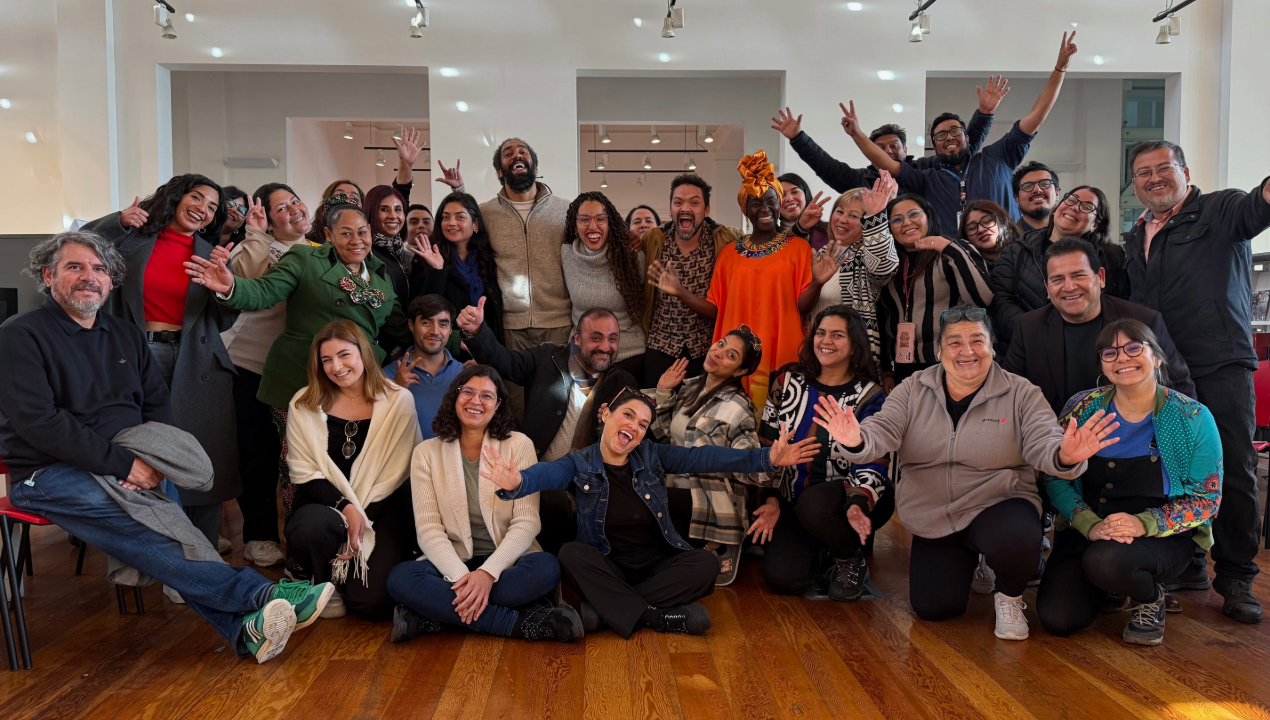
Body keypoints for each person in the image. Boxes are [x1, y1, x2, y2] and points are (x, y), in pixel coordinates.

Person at [0, 231, 333, 664]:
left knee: (167, 523)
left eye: (99, 269)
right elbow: (41, 423)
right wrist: (124, 465)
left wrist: (152, 456)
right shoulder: (18, 335)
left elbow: (156, 402)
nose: (89, 277)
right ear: (48, 276)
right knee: (150, 525)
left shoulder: (124, 333)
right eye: (74, 267)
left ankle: (244, 631)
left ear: (111, 281)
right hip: (46, 472)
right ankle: (260, 594)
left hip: (127, 457)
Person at [814, 304, 1116, 640]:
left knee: (1018, 538)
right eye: (955, 342)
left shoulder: (1022, 392)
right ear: (939, 351)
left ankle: (1009, 596)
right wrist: (856, 439)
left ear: (992, 348)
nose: (967, 351)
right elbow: (883, 429)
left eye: (977, 340)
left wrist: (1064, 454)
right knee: (934, 608)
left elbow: (1042, 439)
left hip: (999, 500)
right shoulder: (912, 388)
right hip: (935, 511)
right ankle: (976, 562)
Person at [480, 388, 821, 638]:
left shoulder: (652, 455)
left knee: (706, 564)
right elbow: (549, 474)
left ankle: (607, 611)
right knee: (570, 554)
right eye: (628, 415)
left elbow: (704, 458)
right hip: (608, 566)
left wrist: (765, 458)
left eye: (643, 424)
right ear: (605, 414)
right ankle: (656, 617)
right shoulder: (579, 463)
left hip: (656, 566)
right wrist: (518, 482)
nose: (634, 427)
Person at [184, 202, 411, 550]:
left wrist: (461, 337)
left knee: (345, 466)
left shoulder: (381, 276)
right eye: (346, 233)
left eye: (362, 232)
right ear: (328, 235)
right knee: (299, 471)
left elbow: (400, 328)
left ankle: (349, 544)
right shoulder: (305, 259)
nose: (356, 240)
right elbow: (265, 291)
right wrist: (231, 287)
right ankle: (301, 553)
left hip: (355, 387)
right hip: (300, 383)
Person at [1124, 139, 1270, 624]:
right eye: (1143, 173)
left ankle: (1236, 577)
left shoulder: (1222, 210)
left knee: (1234, 470)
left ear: (1185, 172)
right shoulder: (1136, 235)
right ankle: (1188, 562)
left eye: (1163, 168)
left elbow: (1258, 207)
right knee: (1173, 469)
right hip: (1163, 373)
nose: (1153, 179)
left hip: (1219, 363)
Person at [1038, 319, 1221, 645]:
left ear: (1157, 358)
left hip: (1160, 536)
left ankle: (1149, 597)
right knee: (1058, 618)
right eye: (1110, 353)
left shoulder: (1192, 417)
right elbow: (1054, 476)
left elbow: (1206, 500)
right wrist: (1089, 524)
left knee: (1106, 561)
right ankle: (1113, 586)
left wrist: (1142, 524)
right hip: (1088, 528)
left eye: (1134, 347)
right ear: (1102, 366)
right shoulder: (1080, 407)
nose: (1122, 357)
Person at [81, 174, 240, 551]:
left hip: (196, 360)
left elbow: (222, 321)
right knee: (138, 449)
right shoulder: (129, 239)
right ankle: (147, 554)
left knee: (199, 454)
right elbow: (79, 246)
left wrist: (225, 287)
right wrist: (118, 220)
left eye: (212, 207)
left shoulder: (212, 253)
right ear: (176, 197)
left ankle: (201, 553)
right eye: (196, 197)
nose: (203, 208)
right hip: (135, 353)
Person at [387, 365, 583, 644]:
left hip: (508, 563)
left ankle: (433, 617)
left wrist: (488, 573)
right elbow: (429, 530)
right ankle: (515, 623)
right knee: (401, 578)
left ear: (498, 404)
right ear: (455, 396)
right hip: (453, 562)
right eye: (468, 392)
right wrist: (464, 580)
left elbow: (527, 523)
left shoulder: (519, 445)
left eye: (486, 396)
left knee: (547, 568)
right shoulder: (426, 453)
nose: (475, 401)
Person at [842, 33, 1080, 232]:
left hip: (1008, 257)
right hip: (953, 263)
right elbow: (886, 163)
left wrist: (1059, 69)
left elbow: (1035, 117)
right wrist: (856, 134)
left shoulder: (997, 157)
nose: (949, 137)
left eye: (955, 131)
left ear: (967, 137)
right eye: (940, 135)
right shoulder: (927, 178)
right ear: (934, 146)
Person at [284, 320, 421, 621]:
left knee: (372, 604)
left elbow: (397, 475)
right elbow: (305, 473)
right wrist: (347, 509)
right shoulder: (303, 403)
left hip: (380, 509)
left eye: (344, 355)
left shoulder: (398, 401)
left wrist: (361, 520)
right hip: (323, 506)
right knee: (311, 529)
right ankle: (323, 581)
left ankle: (346, 574)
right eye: (326, 360)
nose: (336, 367)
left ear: (363, 353)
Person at [758, 307, 892, 601]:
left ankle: (849, 559)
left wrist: (857, 503)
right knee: (784, 580)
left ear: (855, 345)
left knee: (814, 504)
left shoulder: (871, 396)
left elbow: (876, 459)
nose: (826, 341)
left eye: (837, 335)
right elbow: (766, 444)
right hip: (792, 501)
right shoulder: (786, 381)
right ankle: (826, 548)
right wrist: (770, 498)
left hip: (847, 502)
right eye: (820, 333)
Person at [221, 182, 315, 568]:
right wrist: (256, 234)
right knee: (257, 454)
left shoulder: (320, 251)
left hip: (298, 372)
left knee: (296, 459)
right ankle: (258, 537)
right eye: (281, 208)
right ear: (268, 219)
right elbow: (238, 280)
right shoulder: (260, 247)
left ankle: (303, 535)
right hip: (249, 365)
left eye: (295, 201)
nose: (293, 209)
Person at [1002, 237, 1194, 417]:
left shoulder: (1144, 320)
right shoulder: (1028, 328)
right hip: (1057, 434)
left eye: (1079, 275)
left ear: (1100, 277)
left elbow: (1179, 387)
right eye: (1057, 279)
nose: (1069, 287)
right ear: (1047, 288)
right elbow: (1010, 394)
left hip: (1136, 434)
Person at [650, 326, 767, 586]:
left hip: (709, 499)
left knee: (647, 500)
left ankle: (719, 544)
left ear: (740, 371)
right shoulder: (691, 386)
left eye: (731, 355)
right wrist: (664, 391)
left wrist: (771, 460)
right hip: (676, 485)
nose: (719, 353)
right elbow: (665, 437)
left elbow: (751, 467)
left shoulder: (738, 408)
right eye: (721, 344)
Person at [456, 304, 636, 462]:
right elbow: (505, 363)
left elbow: (630, 444)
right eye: (596, 338)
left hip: (588, 484)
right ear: (577, 339)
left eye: (612, 339)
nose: (605, 347)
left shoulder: (624, 384)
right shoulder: (546, 358)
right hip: (534, 473)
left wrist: (606, 425)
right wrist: (476, 331)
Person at [708, 151, 814, 411]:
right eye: (755, 203)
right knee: (732, 417)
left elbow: (803, 305)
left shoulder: (799, 248)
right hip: (736, 355)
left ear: (779, 205)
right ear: (745, 210)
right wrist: (679, 292)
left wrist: (819, 282)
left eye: (770, 201)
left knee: (780, 419)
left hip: (783, 348)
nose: (764, 209)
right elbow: (715, 307)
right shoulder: (728, 254)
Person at [479, 138, 572, 420]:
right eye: (508, 154)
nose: (517, 156)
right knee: (515, 409)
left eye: (523, 152)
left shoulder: (565, 209)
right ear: (500, 171)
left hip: (557, 323)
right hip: (511, 328)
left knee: (555, 406)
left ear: (534, 165)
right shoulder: (485, 213)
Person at [876, 194, 993, 390]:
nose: (907, 223)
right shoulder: (889, 264)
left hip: (954, 363)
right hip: (904, 369)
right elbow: (883, 317)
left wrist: (951, 249)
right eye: (897, 219)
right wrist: (886, 369)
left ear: (928, 217)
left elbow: (983, 299)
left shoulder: (953, 251)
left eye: (914, 214)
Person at [991, 185, 1125, 346]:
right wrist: (1034, 332)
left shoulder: (1111, 258)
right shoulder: (1016, 251)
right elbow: (1001, 301)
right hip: (1027, 345)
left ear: (1095, 224)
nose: (1075, 207)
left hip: (1088, 346)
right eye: (1071, 200)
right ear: (1057, 208)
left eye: (1087, 207)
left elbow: (1116, 306)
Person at [641, 174, 737, 388]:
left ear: (706, 210)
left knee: (700, 407)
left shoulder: (726, 239)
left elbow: (765, 243)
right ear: (670, 210)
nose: (685, 208)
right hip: (660, 347)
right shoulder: (653, 238)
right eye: (678, 202)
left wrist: (798, 229)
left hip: (707, 350)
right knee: (654, 405)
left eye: (694, 203)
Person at [769, 106, 991, 193]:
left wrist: (985, 113)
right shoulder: (859, 180)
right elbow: (825, 166)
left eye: (894, 146)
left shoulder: (925, 169)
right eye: (879, 148)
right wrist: (798, 138)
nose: (887, 152)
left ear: (905, 149)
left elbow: (959, 151)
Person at [803, 173, 900, 358]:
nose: (842, 219)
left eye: (853, 216)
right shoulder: (823, 253)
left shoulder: (865, 255)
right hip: (816, 350)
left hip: (852, 355)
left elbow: (884, 268)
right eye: (839, 211)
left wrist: (876, 215)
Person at [561, 191, 647, 380]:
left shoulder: (632, 255)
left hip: (628, 355)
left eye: (600, 219)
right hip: (582, 359)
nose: (593, 226)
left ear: (610, 223)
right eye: (584, 219)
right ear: (575, 225)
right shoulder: (566, 254)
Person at [410, 191, 506, 346]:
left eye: (460, 217)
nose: (451, 223)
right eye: (445, 217)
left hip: (487, 344)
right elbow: (420, 311)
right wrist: (437, 271)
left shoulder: (489, 257)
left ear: (475, 224)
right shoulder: (427, 257)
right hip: (447, 347)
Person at [383, 294, 465, 441]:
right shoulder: (386, 375)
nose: (435, 331)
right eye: (426, 323)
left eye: (443, 324)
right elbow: (378, 432)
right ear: (411, 325)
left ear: (450, 330)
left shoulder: (465, 375)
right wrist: (397, 390)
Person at [364, 184, 413, 310]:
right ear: (371, 212)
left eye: (398, 209)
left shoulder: (404, 255)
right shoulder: (365, 254)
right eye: (384, 209)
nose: (393, 216)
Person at [956, 199, 1021, 270]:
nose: (981, 230)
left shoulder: (1025, 253)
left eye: (987, 221)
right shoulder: (963, 270)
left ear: (1002, 221)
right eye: (972, 228)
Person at [778, 172, 830, 251]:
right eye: (781, 195)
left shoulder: (829, 231)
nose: (789, 199)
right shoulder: (769, 238)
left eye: (795, 192)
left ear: (806, 194)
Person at [305, 179, 364, 244]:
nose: (346, 200)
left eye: (353, 197)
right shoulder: (308, 242)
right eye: (339, 195)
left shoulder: (367, 241)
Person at [1013, 161, 1061, 233]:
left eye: (1044, 184)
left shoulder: (1075, 234)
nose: (1037, 189)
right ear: (1017, 199)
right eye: (1028, 186)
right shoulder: (1004, 239)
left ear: (1057, 193)